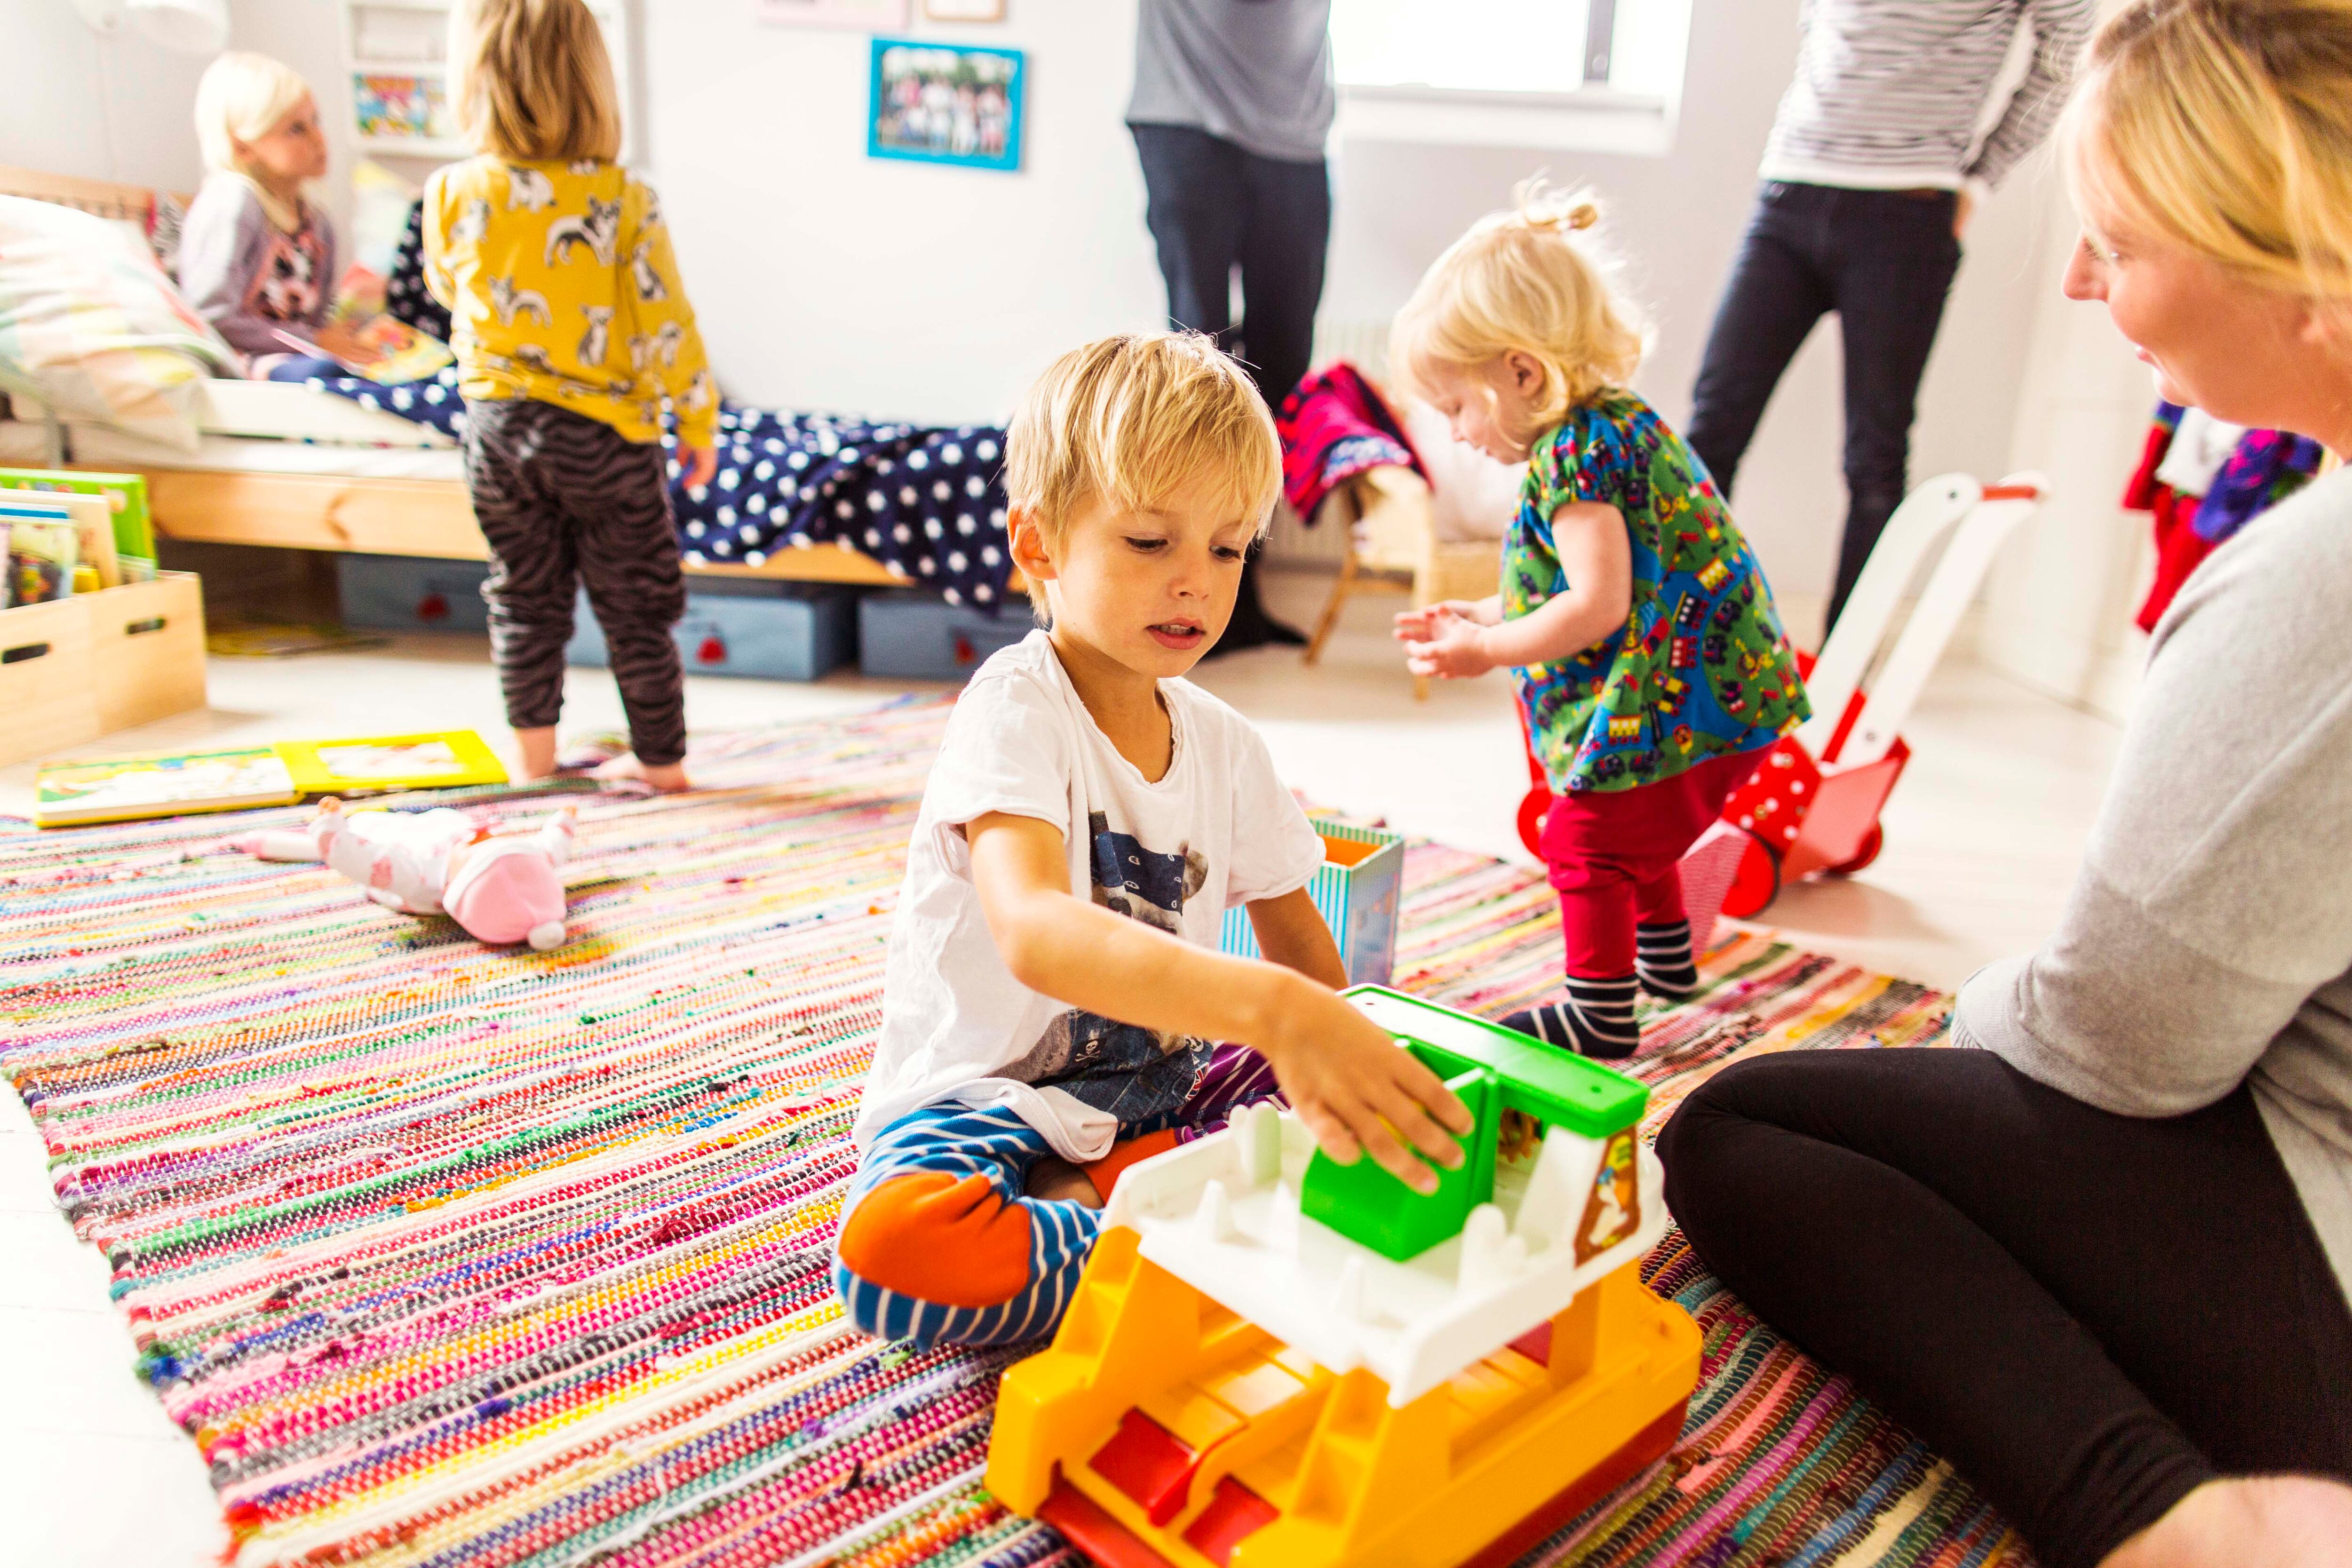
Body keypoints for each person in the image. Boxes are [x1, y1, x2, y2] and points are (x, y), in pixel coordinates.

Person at [1659, 3, 2352, 1564]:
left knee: (1743, 1125)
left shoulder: (2317, 585)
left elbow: (2117, 1053)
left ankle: (2179, 1524)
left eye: (2117, 239)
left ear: (2300, 263)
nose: (2081, 282)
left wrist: (1967, 1026)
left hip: (2326, 1288)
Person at [833, 333, 1470, 1347]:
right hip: (987, 1101)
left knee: (1397, 1098)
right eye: (1148, 543)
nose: (1195, 583)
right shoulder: (1015, 705)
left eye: (1226, 549)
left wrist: (1339, 1046)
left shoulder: (1227, 745)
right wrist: (1277, 1010)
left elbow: (1305, 949)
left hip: (1161, 1094)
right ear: (1040, 545)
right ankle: (1201, 1235)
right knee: (898, 1259)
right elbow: (1035, 929)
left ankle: (1123, 1195)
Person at [1388, 185, 1811, 1059]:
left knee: (1584, 839)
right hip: (1715, 690)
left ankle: (1601, 1016)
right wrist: (1484, 610)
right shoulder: (1618, 427)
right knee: (1633, 829)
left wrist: (1485, 650)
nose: (1458, 433)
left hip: (1678, 700)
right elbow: (1589, 578)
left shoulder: (1575, 455)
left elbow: (1595, 605)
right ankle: (1664, 961)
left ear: (1522, 372)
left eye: (1459, 406)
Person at [1686, 0, 2095, 635]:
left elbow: (2069, 54)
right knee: (1711, 430)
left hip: (1907, 212)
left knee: (1874, 455)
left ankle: (1844, 668)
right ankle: (1669, 644)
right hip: (1788, 192)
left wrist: (1978, 180)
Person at [423, 0, 719, 791]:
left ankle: (535, 762)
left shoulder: (452, 192)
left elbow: (445, 287)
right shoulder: (623, 200)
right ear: (593, 83)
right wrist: (696, 418)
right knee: (637, 602)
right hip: (603, 433)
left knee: (523, 596)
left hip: (497, 427)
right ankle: (661, 764)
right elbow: (667, 324)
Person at [1126, 0, 1335, 652]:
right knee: (1200, 369)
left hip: (1294, 137)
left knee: (1283, 364)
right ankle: (1184, 600)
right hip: (1184, 117)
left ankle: (1241, 596)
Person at [178, 53, 342, 384]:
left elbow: (317, 320)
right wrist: (316, 344)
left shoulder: (318, 223)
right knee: (326, 373)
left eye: (316, 121)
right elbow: (214, 317)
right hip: (240, 364)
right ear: (242, 147)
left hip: (299, 358)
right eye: (296, 129)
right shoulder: (233, 201)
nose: (318, 139)